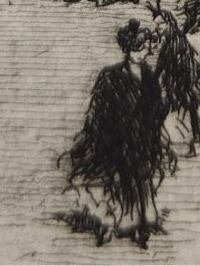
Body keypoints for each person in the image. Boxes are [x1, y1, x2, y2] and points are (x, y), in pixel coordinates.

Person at [64, 19, 176, 247]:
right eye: (138, 48)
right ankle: (129, 218)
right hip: (120, 142)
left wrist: (162, 107)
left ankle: (141, 219)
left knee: (143, 179)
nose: (144, 53)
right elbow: (98, 113)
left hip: (144, 140)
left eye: (145, 48)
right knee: (127, 180)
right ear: (128, 49)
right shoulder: (111, 77)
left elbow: (157, 108)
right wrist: (103, 137)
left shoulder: (149, 76)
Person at [153, 9, 200, 156]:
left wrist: (168, 86)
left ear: (169, 23)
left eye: (160, 24)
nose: (157, 27)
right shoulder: (172, 39)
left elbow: (178, 67)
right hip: (177, 87)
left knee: (178, 117)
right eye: (155, 24)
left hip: (178, 88)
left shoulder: (175, 41)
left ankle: (184, 147)